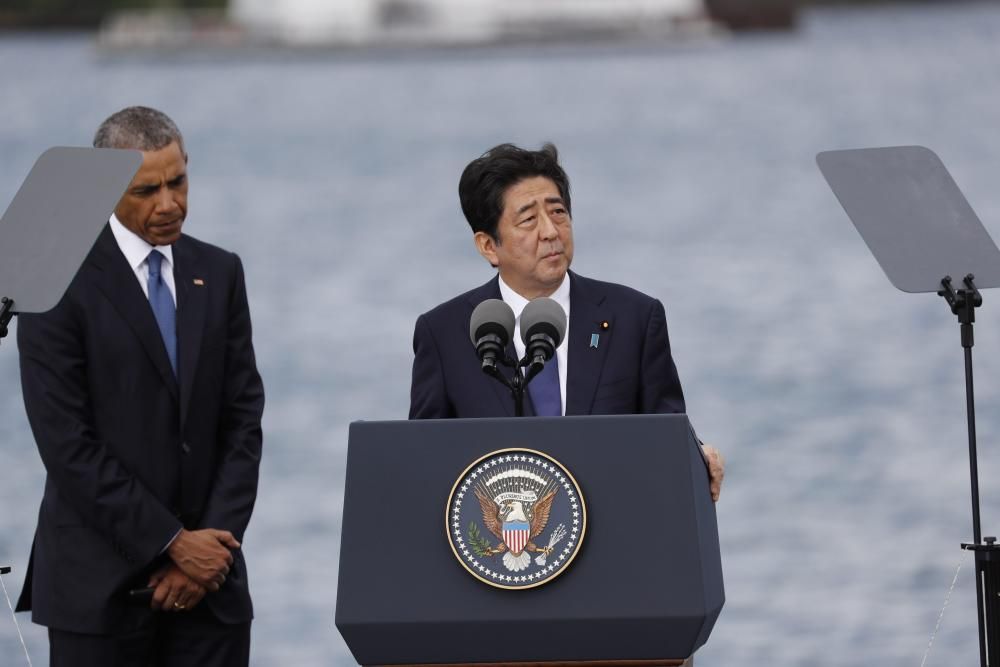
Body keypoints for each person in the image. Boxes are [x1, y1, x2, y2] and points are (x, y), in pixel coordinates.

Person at [16, 106, 265, 666]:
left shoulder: (220, 272)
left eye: (177, 181)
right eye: (146, 190)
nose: (168, 203)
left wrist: (211, 548)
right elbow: (67, 446)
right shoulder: (53, 281)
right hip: (97, 594)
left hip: (211, 594)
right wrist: (174, 544)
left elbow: (243, 420)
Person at [409, 142, 723, 501]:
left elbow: (666, 436)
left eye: (558, 212)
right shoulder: (445, 334)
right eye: (528, 219)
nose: (550, 231)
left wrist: (699, 454)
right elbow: (425, 463)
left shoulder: (633, 317)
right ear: (488, 246)